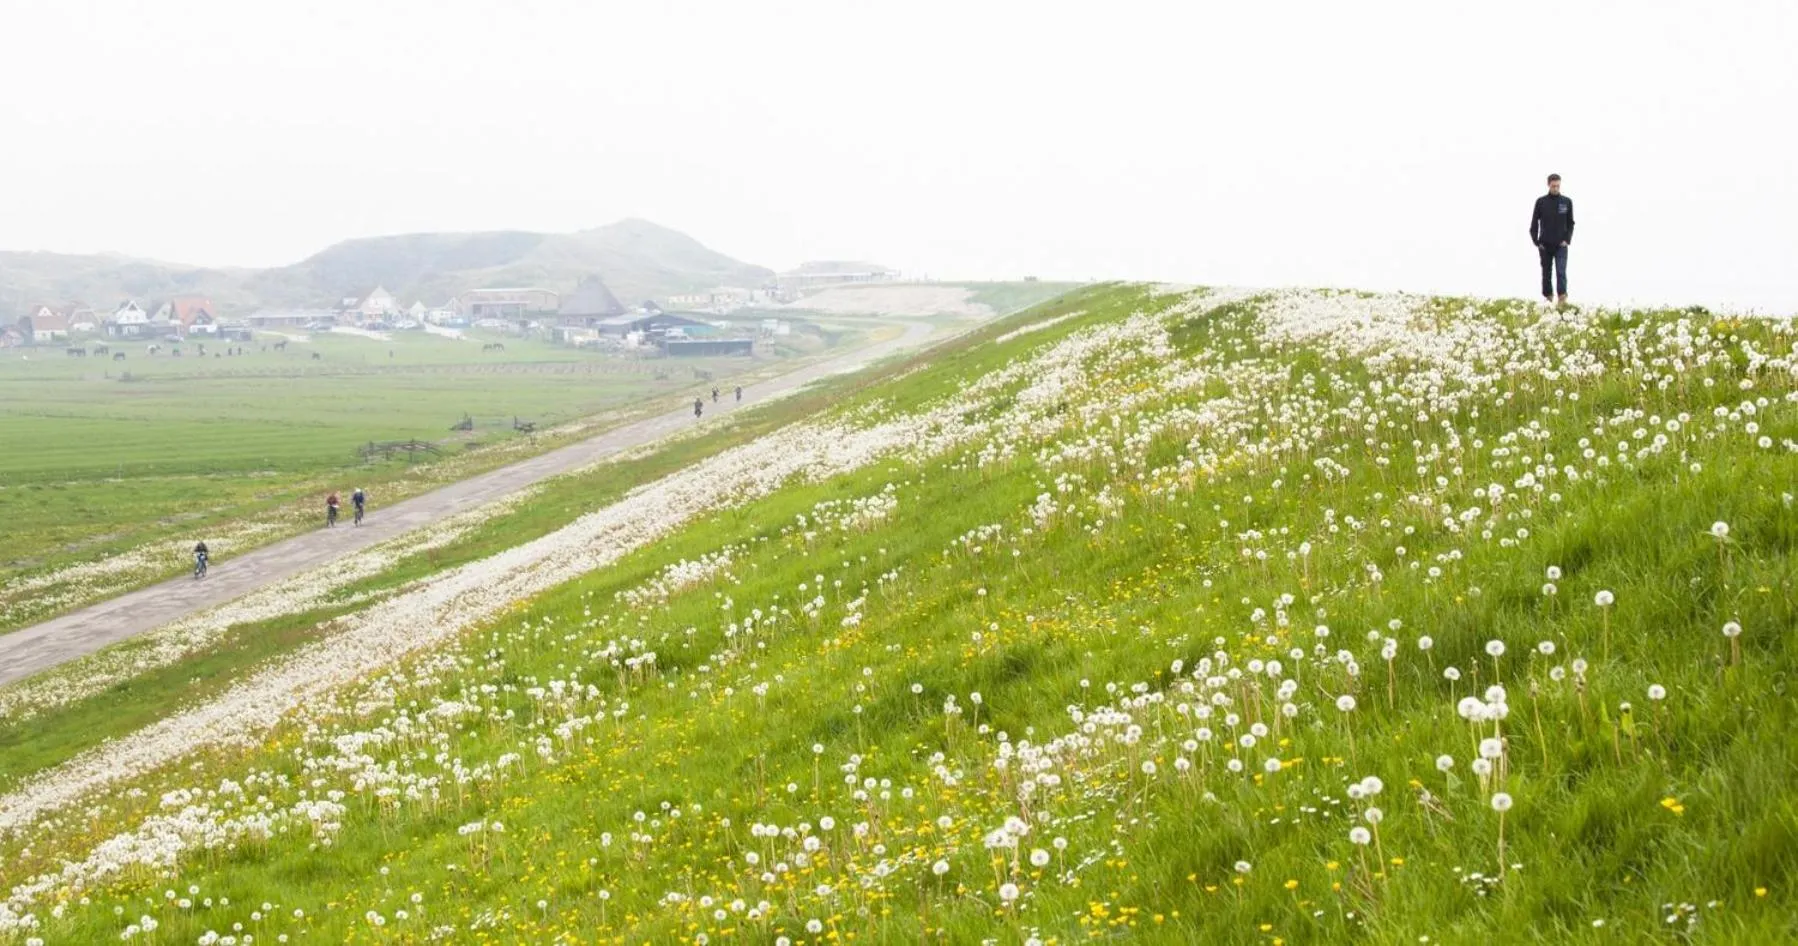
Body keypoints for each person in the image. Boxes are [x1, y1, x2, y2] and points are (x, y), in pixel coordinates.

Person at [1529, 173, 1575, 306]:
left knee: (1561, 271)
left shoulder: (1566, 202)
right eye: (1553, 186)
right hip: (1545, 245)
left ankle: (1562, 299)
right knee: (1546, 273)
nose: (1556, 188)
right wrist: (1536, 241)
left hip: (1561, 245)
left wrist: (1567, 239)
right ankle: (1548, 300)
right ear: (1548, 185)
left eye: (1558, 186)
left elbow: (1571, 222)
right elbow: (1534, 223)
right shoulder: (1541, 202)